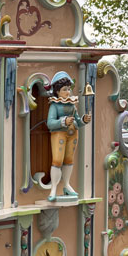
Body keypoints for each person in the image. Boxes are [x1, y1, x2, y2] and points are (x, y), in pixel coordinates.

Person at [46, 71, 91, 201]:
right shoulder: (55, 105)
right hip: (59, 134)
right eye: (64, 89)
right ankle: (54, 188)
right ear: (57, 92)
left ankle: (66, 185)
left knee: (69, 160)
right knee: (57, 160)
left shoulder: (72, 104)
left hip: (72, 134)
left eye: (68, 89)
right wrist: (63, 121)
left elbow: (77, 121)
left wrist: (83, 120)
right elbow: (50, 123)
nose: (68, 92)